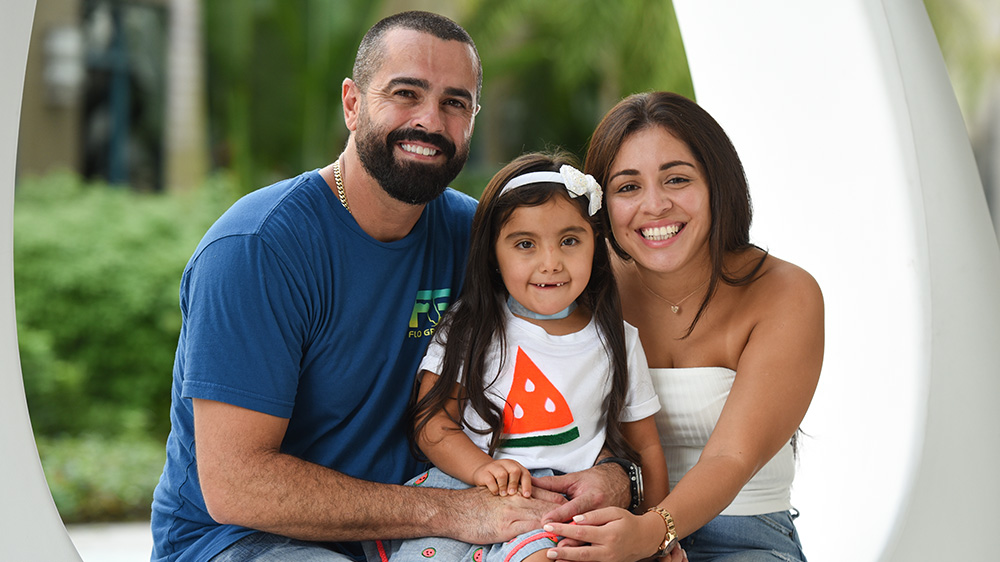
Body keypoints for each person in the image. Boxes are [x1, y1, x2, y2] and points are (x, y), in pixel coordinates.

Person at [150, 11, 631, 562]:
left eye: (455, 103)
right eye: (406, 93)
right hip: (248, 542)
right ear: (352, 104)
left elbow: (589, 352)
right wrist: (452, 512)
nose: (430, 120)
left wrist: (619, 479)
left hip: (418, 534)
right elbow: (237, 485)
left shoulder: (484, 240)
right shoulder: (257, 249)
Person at [541, 92, 824, 561]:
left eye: (676, 179)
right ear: (602, 204)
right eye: (628, 187)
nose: (655, 206)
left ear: (718, 183)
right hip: (607, 524)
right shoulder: (584, 277)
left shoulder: (785, 292)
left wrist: (654, 532)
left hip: (745, 535)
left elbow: (731, 457)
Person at [364, 153, 669, 562]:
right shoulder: (470, 327)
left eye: (570, 240)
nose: (551, 262)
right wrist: (480, 469)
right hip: (470, 496)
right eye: (525, 244)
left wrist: (657, 534)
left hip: (564, 512)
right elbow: (431, 422)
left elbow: (646, 447)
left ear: (596, 245)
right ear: (493, 253)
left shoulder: (617, 338)